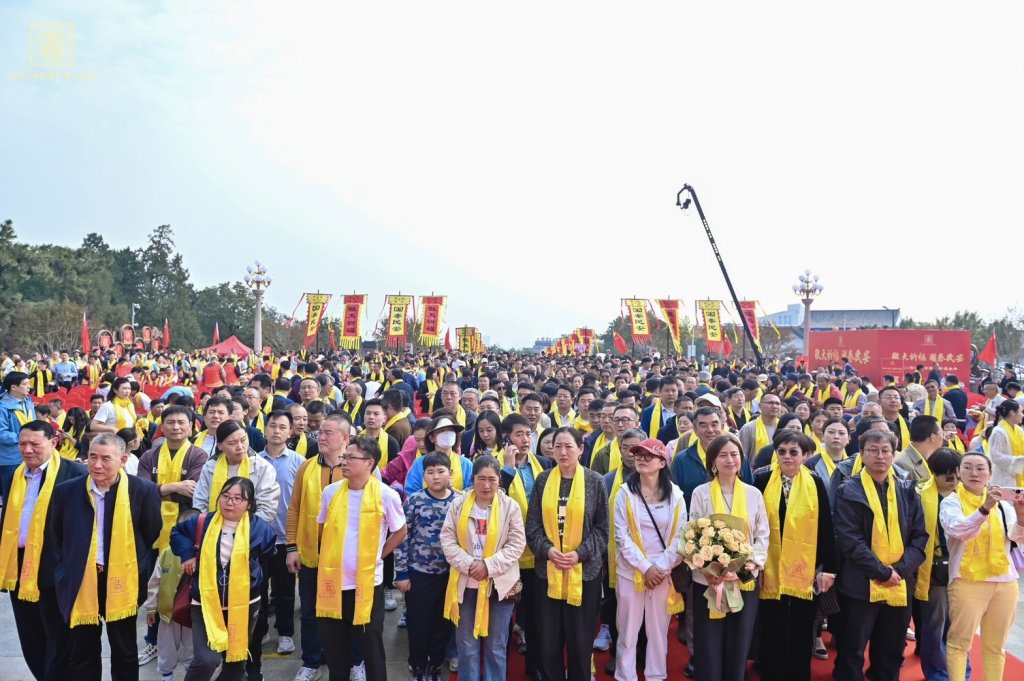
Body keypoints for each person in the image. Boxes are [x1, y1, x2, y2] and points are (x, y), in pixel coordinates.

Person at [50, 433, 163, 681]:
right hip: (81, 579)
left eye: (105, 459)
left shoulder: (143, 490)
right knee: (83, 650)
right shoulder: (67, 492)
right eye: (92, 457)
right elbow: (57, 535)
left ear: (123, 459)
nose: (97, 465)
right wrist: (66, 569)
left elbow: (152, 531)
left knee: (124, 650)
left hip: (122, 579)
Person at [833, 429, 928, 681]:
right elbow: (850, 540)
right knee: (852, 648)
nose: (880, 456)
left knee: (891, 649)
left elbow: (920, 537)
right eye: (873, 450)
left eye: (886, 451)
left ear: (894, 455)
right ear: (861, 455)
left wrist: (899, 571)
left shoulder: (907, 489)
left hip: (899, 582)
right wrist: (883, 572)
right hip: (861, 584)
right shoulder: (848, 490)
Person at [0, 420, 88, 680]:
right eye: (22, 444)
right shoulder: (16, 475)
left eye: (34, 444)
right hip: (18, 565)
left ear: (53, 442)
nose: (27, 450)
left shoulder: (73, 474)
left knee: (59, 635)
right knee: (30, 634)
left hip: (54, 566)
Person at [315, 435, 407, 680]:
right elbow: (322, 529)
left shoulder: (386, 495)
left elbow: (400, 530)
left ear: (370, 463)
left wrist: (379, 554)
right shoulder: (331, 492)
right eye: (344, 456)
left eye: (351, 457)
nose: (344, 462)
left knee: (370, 644)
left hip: (367, 583)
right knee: (335, 649)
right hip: (332, 583)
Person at [524, 427, 608, 681]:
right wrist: (547, 550)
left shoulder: (595, 481)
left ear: (581, 450)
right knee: (549, 641)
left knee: (580, 641)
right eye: (557, 446)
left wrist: (580, 554)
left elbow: (602, 528)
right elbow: (533, 526)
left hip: (583, 574)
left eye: (569, 446)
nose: (562, 452)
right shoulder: (543, 480)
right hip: (547, 572)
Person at [172, 477, 276, 681]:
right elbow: (177, 533)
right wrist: (188, 555)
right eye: (226, 496)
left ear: (249, 504)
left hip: (244, 603)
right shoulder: (203, 522)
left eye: (238, 498)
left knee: (235, 664)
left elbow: (265, 556)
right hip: (204, 602)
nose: (230, 502)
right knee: (206, 659)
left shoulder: (260, 529)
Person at [753, 431, 837, 681]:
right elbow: (754, 523)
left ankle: (798, 673)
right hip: (769, 564)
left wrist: (828, 568)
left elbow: (825, 527)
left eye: (793, 452)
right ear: (775, 453)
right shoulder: (763, 480)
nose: (787, 456)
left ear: (804, 455)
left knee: (803, 623)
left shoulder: (815, 482)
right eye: (782, 451)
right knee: (771, 621)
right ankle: (771, 671)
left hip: (805, 565)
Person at [687, 433, 769, 681]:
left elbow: (762, 535)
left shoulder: (753, 494)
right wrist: (711, 571)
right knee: (709, 642)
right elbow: (692, 535)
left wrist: (748, 565)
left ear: (741, 459)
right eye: (723, 455)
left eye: (734, 454)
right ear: (713, 462)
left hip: (744, 579)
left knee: (739, 641)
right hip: (710, 582)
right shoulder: (700, 493)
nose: (729, 460)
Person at [940, 451, 1024, 681]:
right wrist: (984, 509)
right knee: (959, 644)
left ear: (990, 473)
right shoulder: (951, 502)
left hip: (1004, 582)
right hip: (967, 582)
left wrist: (1021, 517)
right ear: (958, 473)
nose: (974, 473)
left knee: (996, 647)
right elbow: (959, 530)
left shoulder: (1003, 506)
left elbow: (1016, 538)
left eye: (980, 468)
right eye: (967, 467)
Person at [441, 455, 526, 681]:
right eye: (481, 479)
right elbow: (447, 540)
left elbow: (517, 544)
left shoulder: (510, 507)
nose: (486, 485)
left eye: (492, 479)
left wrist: (487, 566)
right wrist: (470, 565)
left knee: (496, 645)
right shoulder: (458, 504)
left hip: (499, 584)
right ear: (472, 479)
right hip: (466, 583)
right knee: (467, 644)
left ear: (500, 480)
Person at [285, 412, 353, 681]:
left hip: (346, 557)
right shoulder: (307, 467)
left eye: (328, 433)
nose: (321, 437)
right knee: (311, 613)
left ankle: (352, 661)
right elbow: (295, 509)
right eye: (320, 433)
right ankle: (311, 661)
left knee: (346, 612)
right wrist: (292, 547)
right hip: (311, 554)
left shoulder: (357, 467)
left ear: (345, 438)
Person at [612, 438, 686, 681]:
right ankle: (626, 676)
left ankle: (656, 675)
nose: (641, 459)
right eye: (638, 455)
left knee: (657, 631)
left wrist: (660, 567)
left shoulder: (675, 495)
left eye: (648, 456)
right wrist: (645, 568)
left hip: (662, 572)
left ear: (663, 462)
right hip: (631, 571)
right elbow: (621, 536)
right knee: (628, 631)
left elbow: (680, 537)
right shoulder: (625, 493)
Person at [498, 413, 555, 679]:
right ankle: (501, 667)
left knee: (535, 615)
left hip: (538, 551)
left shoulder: (543, 463)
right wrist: (507, 468)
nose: (525, 439)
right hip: (506, 553)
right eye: (519, 434)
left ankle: (535, 666)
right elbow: (492, 499)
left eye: (528, 433)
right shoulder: (493, 465)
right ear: (506, 436)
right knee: (504, 615)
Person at [250, 410, 306, 672]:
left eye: (282, 427)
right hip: (258, 538)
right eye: (272, 426)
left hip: (285, 538)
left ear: (290, 431)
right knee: (257, 589)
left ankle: (285, 632)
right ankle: (259, 630)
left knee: (284, 591)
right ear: (265, 429)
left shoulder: (299, 462)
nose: (276, 431)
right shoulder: (253, 461)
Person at [394, 452, 456, 680]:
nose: (436, 476)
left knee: (442, 625)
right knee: (419, 624)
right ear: (423, 476)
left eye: (441, 471)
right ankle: (417, 664)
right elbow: (401, 538)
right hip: (419, 574)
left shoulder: (458, 502)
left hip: (449, 575)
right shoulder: (414, 501)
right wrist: (401, 573)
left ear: (451, 474)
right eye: (430, 472)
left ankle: (435, 664)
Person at [913, 448, 963, 681]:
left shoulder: (969, 495)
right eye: (946, 473)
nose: (952, 478)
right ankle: (938, 672)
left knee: (960, 626)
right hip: (935, 568)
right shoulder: (919, 494)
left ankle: (959, 671)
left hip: (965, 569)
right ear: (934, 472)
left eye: (956, 472)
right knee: (936, 625)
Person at [192, 420, 280, 522]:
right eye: (232, 443)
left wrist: (243, 527)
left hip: (249, 530)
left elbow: (267, 508)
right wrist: (208, 525)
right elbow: (200, 501)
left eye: (243, 440)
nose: (240, 447)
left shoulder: (262, 468)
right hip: (211, 528)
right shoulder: (210, 467)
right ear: (220, 446)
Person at [142, 541, 193, 681]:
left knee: (192, 650)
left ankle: (192, 674)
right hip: (168, 614)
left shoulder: (201, 553)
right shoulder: (166, 553)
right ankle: (167, 676)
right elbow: (154, 583)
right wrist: (151, 609)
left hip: (192, 615)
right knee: (166, 648)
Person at [405, 415, 473, 495]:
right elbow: (411, 492)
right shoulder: (419, 463)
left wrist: (452, 490)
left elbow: (472, 492)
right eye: (442, 431)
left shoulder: (466, 464)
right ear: (432, 438)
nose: (447, 433)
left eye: (451, 430)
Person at [0, 371, 36, 497]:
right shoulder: (2, 407)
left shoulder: (28, 401)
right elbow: (1, 434)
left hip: (31, 455)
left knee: (28, 497)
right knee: (12, 498)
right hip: (11, 459)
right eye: (25, 384)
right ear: (13, 387)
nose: (29, 386)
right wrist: (26, 438)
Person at [894, 415, 944, 482]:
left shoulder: (932, 459)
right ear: (933, 437)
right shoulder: (901, 464)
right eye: (942, 434)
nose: (943, 438)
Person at [987, 399, 1024, 487]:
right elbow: (996, 456)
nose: (1022, 415)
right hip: (1004, 476)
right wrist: (1018, 460)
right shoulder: (999, 432)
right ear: (1012, 413)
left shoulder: (1019, 429)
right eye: (1021, 412)